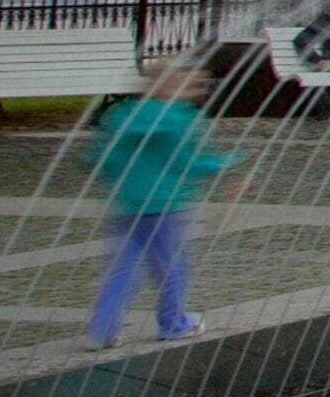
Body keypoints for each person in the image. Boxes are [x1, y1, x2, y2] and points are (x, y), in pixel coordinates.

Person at [83, 63, 234, 348]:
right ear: (176, 87)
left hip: (128, 204)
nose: (197, 92)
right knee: (171, 268)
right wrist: (224, 162)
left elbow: (101, 159)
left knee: (124, 268)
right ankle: (175, 324)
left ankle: (102, 329)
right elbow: (189, 164)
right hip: (167, 205)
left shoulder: (123, 115)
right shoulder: (182, 119)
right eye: (193, 86)